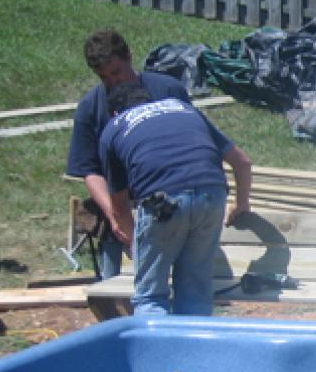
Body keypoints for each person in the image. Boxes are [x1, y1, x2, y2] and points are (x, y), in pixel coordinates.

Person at [100, 82, 253, 315]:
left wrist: (137, 245)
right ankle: (194, 349)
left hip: (162, 203)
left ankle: (157, 349)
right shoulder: (182, 108)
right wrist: (241, 204)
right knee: (195, 293)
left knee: (151, 297)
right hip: (212, 194)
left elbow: (119, 207)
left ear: (114, 112)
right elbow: (242, 162)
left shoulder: (114, 127)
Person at [67, 30, 192, 279]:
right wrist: (115, 214)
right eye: (103, 77)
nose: (112, 82)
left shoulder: (168, 90)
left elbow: (188, 146)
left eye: (116, 73)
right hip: (119, 197)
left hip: (170, 193)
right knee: (113, 272)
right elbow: (90, 171)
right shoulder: (90, 107)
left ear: (129, 58)